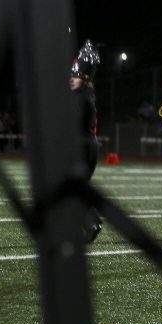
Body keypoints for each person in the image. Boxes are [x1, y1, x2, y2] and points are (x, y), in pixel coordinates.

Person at [71, 39, 103, 243]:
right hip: (89, 145)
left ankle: (91, 222)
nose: (72, 78)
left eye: (76, 75)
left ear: (84, 77)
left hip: (81, 146)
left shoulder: (79, 98)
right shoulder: (87, 96)